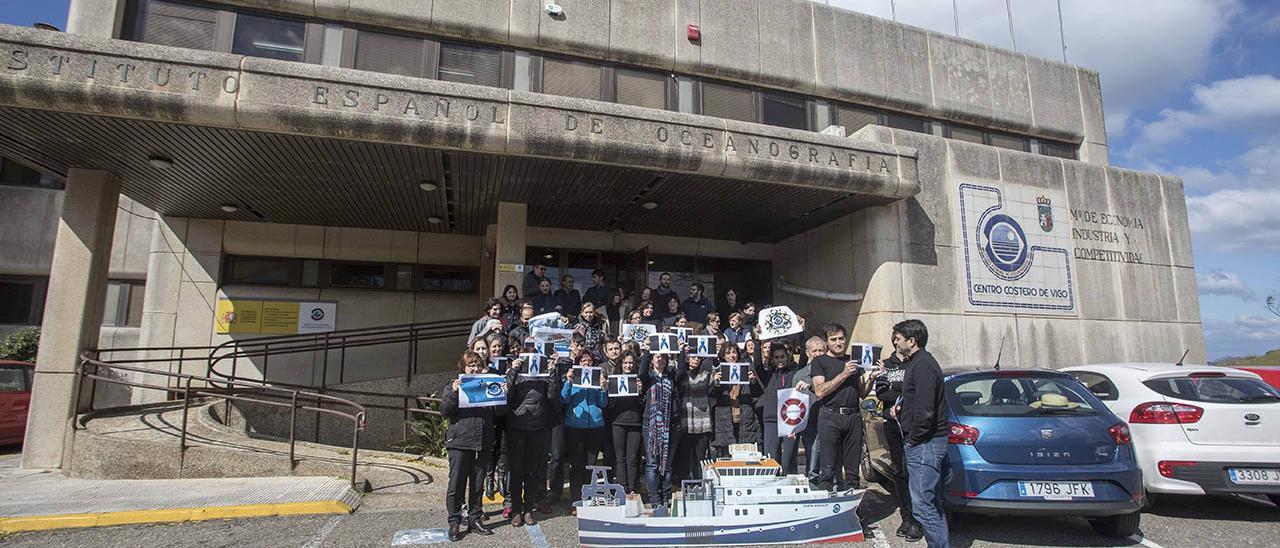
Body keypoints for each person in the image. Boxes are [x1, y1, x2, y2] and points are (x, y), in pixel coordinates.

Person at [894, 320, 948, 548]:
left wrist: (914, 439)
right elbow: (917, 402)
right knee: (930, 503)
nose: (895, 342)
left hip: (926, 444)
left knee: (923, 504)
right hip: (924, 442)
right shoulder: (917, 363)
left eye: (898, 338)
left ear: (912, 341)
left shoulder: (923, 365)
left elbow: (926, 410)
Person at [440, 350, 505, 540]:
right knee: (456, 484)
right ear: (463, 367)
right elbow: (445, 411)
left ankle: (475, 518)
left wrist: (502, 394)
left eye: (478, 365)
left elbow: (500, 413)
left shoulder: (486, 385)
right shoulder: (454, 385)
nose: (475, 368)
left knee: (477, 485)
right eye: (471, 365)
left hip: (482, 441)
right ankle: (454, 521)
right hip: (460, 441)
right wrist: (453, 392)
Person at [504, 349, 562, 527]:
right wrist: (513, 371)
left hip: (538, 428)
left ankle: (528, 509)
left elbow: (553, 396)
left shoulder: (544, 374)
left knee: (532, 472)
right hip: (516, 427)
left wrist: (553, 372)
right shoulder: (515, 372)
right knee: (516, 472)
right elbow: (506, 395)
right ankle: (516, 509)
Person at [810, 322, 868, 493]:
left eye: (841, 339)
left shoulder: (853, 360)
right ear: (827, 342)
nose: (838, 343)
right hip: (830, 416)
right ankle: (826, 508)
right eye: (833, 339)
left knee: (852, 469)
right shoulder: (820, 361)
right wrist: (844, 374)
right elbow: (820, 391)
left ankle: (853, 511)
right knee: (827, 467)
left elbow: (863, 392)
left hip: (853, 415)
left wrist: (872, 377)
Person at [873, 343, 920, 541]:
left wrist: (897, 388)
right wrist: (902, 389)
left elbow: (920, 391)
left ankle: (918, 520)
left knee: (915, 472)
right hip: (893, 425)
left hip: (913, 425)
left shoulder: (916, 363)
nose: (898, 344)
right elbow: (882, 394)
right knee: (900, 472)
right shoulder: (886, 364)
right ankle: (907, 517)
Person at [561, 349, 609, 515]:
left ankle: (587, 499)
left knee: (590, 465)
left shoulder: (597, 379)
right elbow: (563, 399)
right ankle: (575, 501)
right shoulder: (572, 378)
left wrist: (603, 389)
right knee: (577, 466)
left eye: (589, 360)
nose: (586, 363)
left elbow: (603, 404)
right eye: (583, 360)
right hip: (575, 426)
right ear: (578, 362)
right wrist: (568, 382)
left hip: (595, 426)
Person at [758, 343, 808, 474]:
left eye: (782, 356)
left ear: (787, 357)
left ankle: (790, 485)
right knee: (771, 459)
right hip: (771, 420)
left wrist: (801, 334)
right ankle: (772, 488)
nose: (780, 360)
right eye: (776, 357)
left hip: (790, 421)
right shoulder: (767, 375)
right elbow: (757, 364)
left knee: (788, 459)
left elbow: (803, 359)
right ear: (772, 359)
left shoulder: (794, 373)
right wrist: (758, 340)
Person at [640, 351, 681, 506]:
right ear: (652, 360)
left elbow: (682, 371)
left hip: (670, 424)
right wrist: (646, 351)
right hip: (650, 424)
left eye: (663, 357)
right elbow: (641, 371)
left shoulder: (671, 376)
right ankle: (654, 498)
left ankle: (665, 496)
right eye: (657, 356)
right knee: (652, 463)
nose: (660, 359)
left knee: (667, 464)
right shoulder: (648, 377)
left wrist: (681, 352)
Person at [709, 342, 760, 457]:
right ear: (723, 356)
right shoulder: (718, 370)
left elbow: (757, 393)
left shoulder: (746, 368)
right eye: (728, 353)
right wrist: (716, 382)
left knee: (743, 456)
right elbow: (712, 395)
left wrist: (753, 381)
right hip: (725, 419)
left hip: (744, 418)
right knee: (726, 457)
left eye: (734, 352)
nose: (732, 355)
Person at [674, 349, 714, 482]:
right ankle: (684, 484)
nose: (696, 359)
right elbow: (679, 373)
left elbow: (713, 388)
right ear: (687, 359)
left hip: (703, 423)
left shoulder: (706, 374)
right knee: (685, 456)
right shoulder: (682, 375)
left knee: (700, 457)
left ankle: (700, 483)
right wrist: (681, 352)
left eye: (698, 357)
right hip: (686, 422)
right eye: (692, 357)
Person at [607, 350, 644, 494]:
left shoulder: (638, 380)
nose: (628, 366)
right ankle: (622, 489)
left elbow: (643, 403)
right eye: (625, 363)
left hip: (635, 422)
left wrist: (641, 391)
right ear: (621, 364)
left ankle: (632, 489)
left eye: (630, 363)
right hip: (618, 422)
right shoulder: (615, 379)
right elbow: (610, 404)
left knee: (633, 458)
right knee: (620, 458)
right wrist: (609, 389)